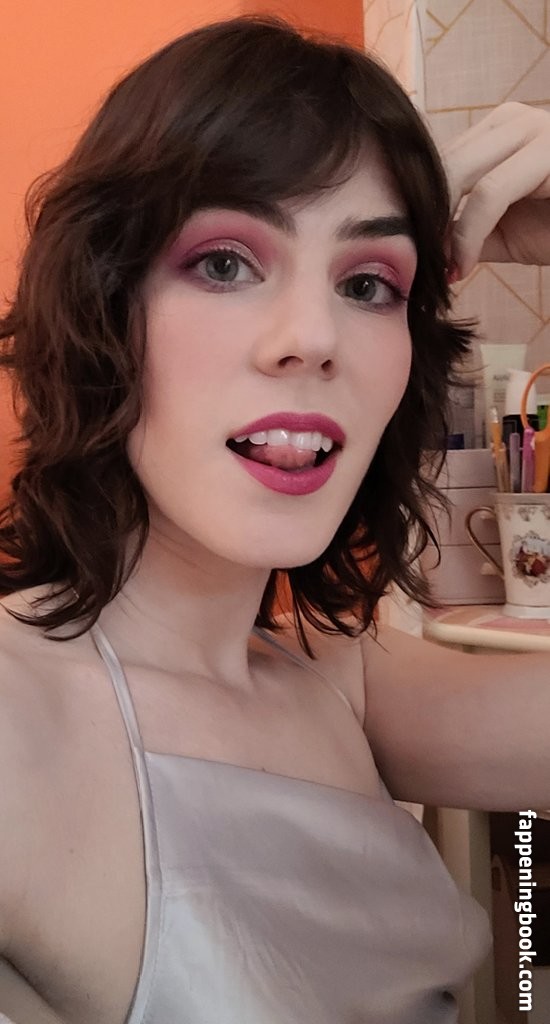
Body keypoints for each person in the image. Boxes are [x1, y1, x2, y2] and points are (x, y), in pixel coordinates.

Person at [0, 15, 548, 1024]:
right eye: (223, 264)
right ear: (102, 305)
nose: (312, 336)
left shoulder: (348, 684)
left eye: (368, 284)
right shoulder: (14, 718)